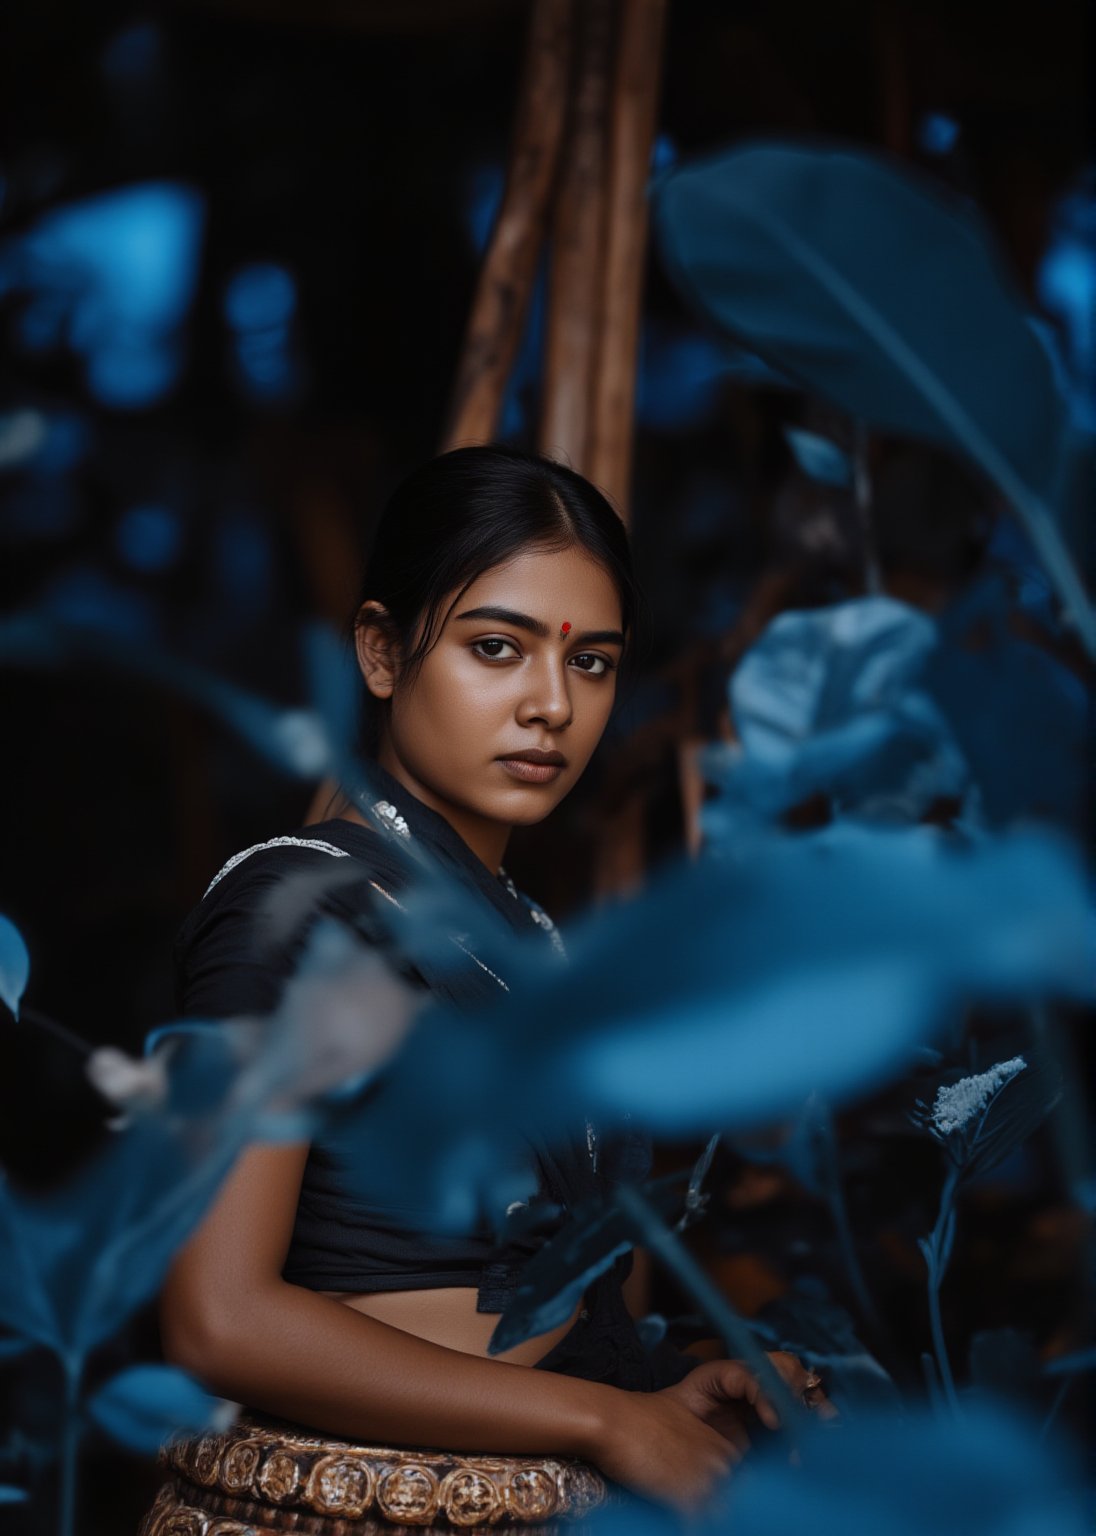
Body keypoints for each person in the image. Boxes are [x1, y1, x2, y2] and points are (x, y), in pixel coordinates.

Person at [145, 446, 824, 1536]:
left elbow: (524, 1294)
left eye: (592, 664)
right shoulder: (295, 910)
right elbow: (220, 1319)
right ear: (380, 650)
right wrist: (601, 1424)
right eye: (496, 649)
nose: (550, 705)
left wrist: (666, 1389)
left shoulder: (531, 939)